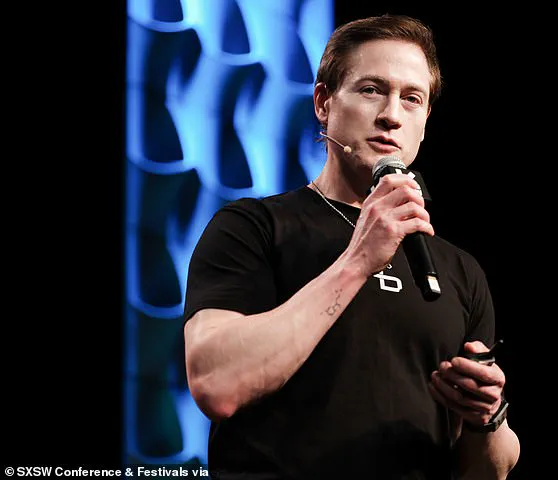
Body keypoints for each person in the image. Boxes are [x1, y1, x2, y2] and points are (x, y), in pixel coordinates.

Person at [183, 14, 520, 480]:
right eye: (371, 90)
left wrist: (489, 418)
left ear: (425, 121)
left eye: (412, 98)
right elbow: (216, 383)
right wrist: (359, 260)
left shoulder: (459, 271)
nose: (392, 115)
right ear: (323, 102)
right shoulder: (253, 227)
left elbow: (488, 471)